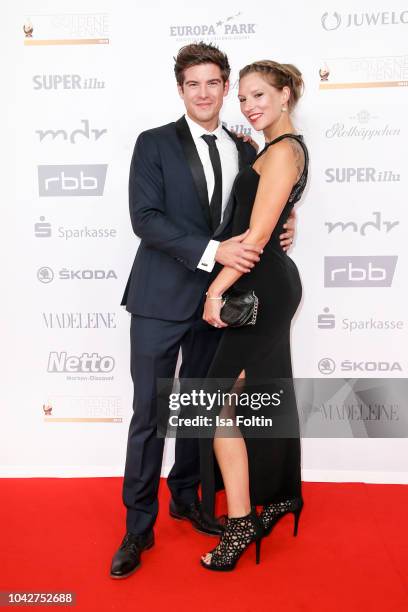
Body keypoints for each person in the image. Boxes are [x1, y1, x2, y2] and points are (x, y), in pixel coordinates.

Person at [110, 44, 296, 579]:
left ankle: (186, 498)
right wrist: (214, 252)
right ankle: (137, 525)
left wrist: (285, 225)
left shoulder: (244, 146)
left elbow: (259, 208)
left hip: (218, 302)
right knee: (150, 413)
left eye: (214, 83)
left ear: (224, 87)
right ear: (180, 89)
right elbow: (144, 218)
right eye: (193, 84)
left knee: (198, 409)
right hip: (158, 299)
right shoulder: (153, 144)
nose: (204, 93)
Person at [199, 60, 308, 571]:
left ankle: (241, 521)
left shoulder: (284, 151)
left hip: (260, 288)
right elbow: (270, 219)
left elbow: (258, 237)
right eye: (243, 98)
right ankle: (277, 497)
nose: (249, 106)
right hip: (264, 284)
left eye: (260, 95)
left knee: (217, 403)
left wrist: (214, 292)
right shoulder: (273, 151)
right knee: (245, 397)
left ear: (286, 95)